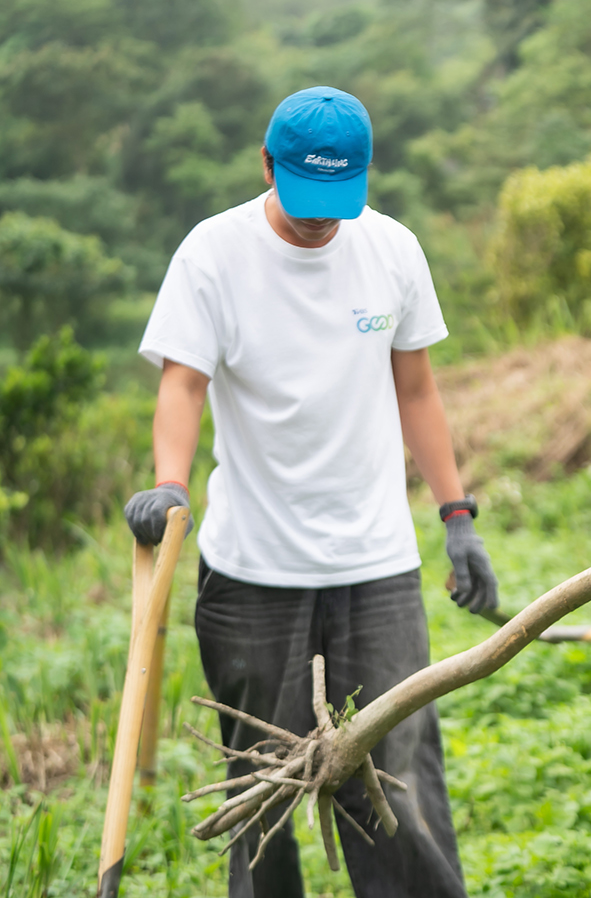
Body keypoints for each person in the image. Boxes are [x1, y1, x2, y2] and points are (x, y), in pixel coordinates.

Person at [124, 86, 495, 898]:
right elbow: (183, 385)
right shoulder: (212, 255)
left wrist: (457, 516)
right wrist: (169, 486)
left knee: (396, 778)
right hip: (253, 569)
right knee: (258, 785)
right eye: (303, 199)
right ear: (266, 164)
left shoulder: (391, 248)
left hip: (378, 566)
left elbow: (418, 391)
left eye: (336, 201)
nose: (320, 220)